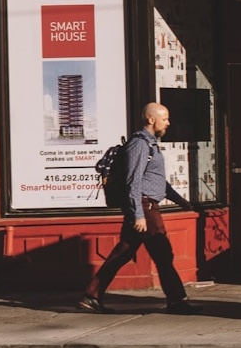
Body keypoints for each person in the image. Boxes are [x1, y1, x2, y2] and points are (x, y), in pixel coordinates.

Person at [79, 102, 196, 314]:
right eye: (165, 118)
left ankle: (91, 295)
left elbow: (155, 180)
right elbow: (133, 182)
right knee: (163, 253)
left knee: (123, 253)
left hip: (147, 204)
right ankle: (177, 301)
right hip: (145, 205)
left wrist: (181, 201)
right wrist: (138, 215)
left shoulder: (151, 145)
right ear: (151, 120)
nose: (168, 123)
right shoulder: (139, 144)